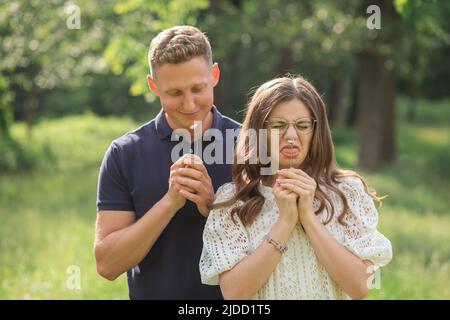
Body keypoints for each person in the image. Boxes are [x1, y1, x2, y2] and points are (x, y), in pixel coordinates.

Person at [199, 76, 393, 300]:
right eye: (278, 126)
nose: (291, 136)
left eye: (302, 125)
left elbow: (360, 286)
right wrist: (285, 222)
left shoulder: (347, 192)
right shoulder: (234, 201)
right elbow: (234, 293)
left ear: (316, 130)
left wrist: (308, 217)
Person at [94, 25, 240, 299]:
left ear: (215, 75)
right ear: (153, 86)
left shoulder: (251, 146)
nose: (189, 104)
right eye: (174, 93)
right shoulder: (124, 153)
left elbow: (275, 242)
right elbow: (107, 264)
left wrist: (213, 206)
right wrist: (169, 204)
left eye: (198, 88)